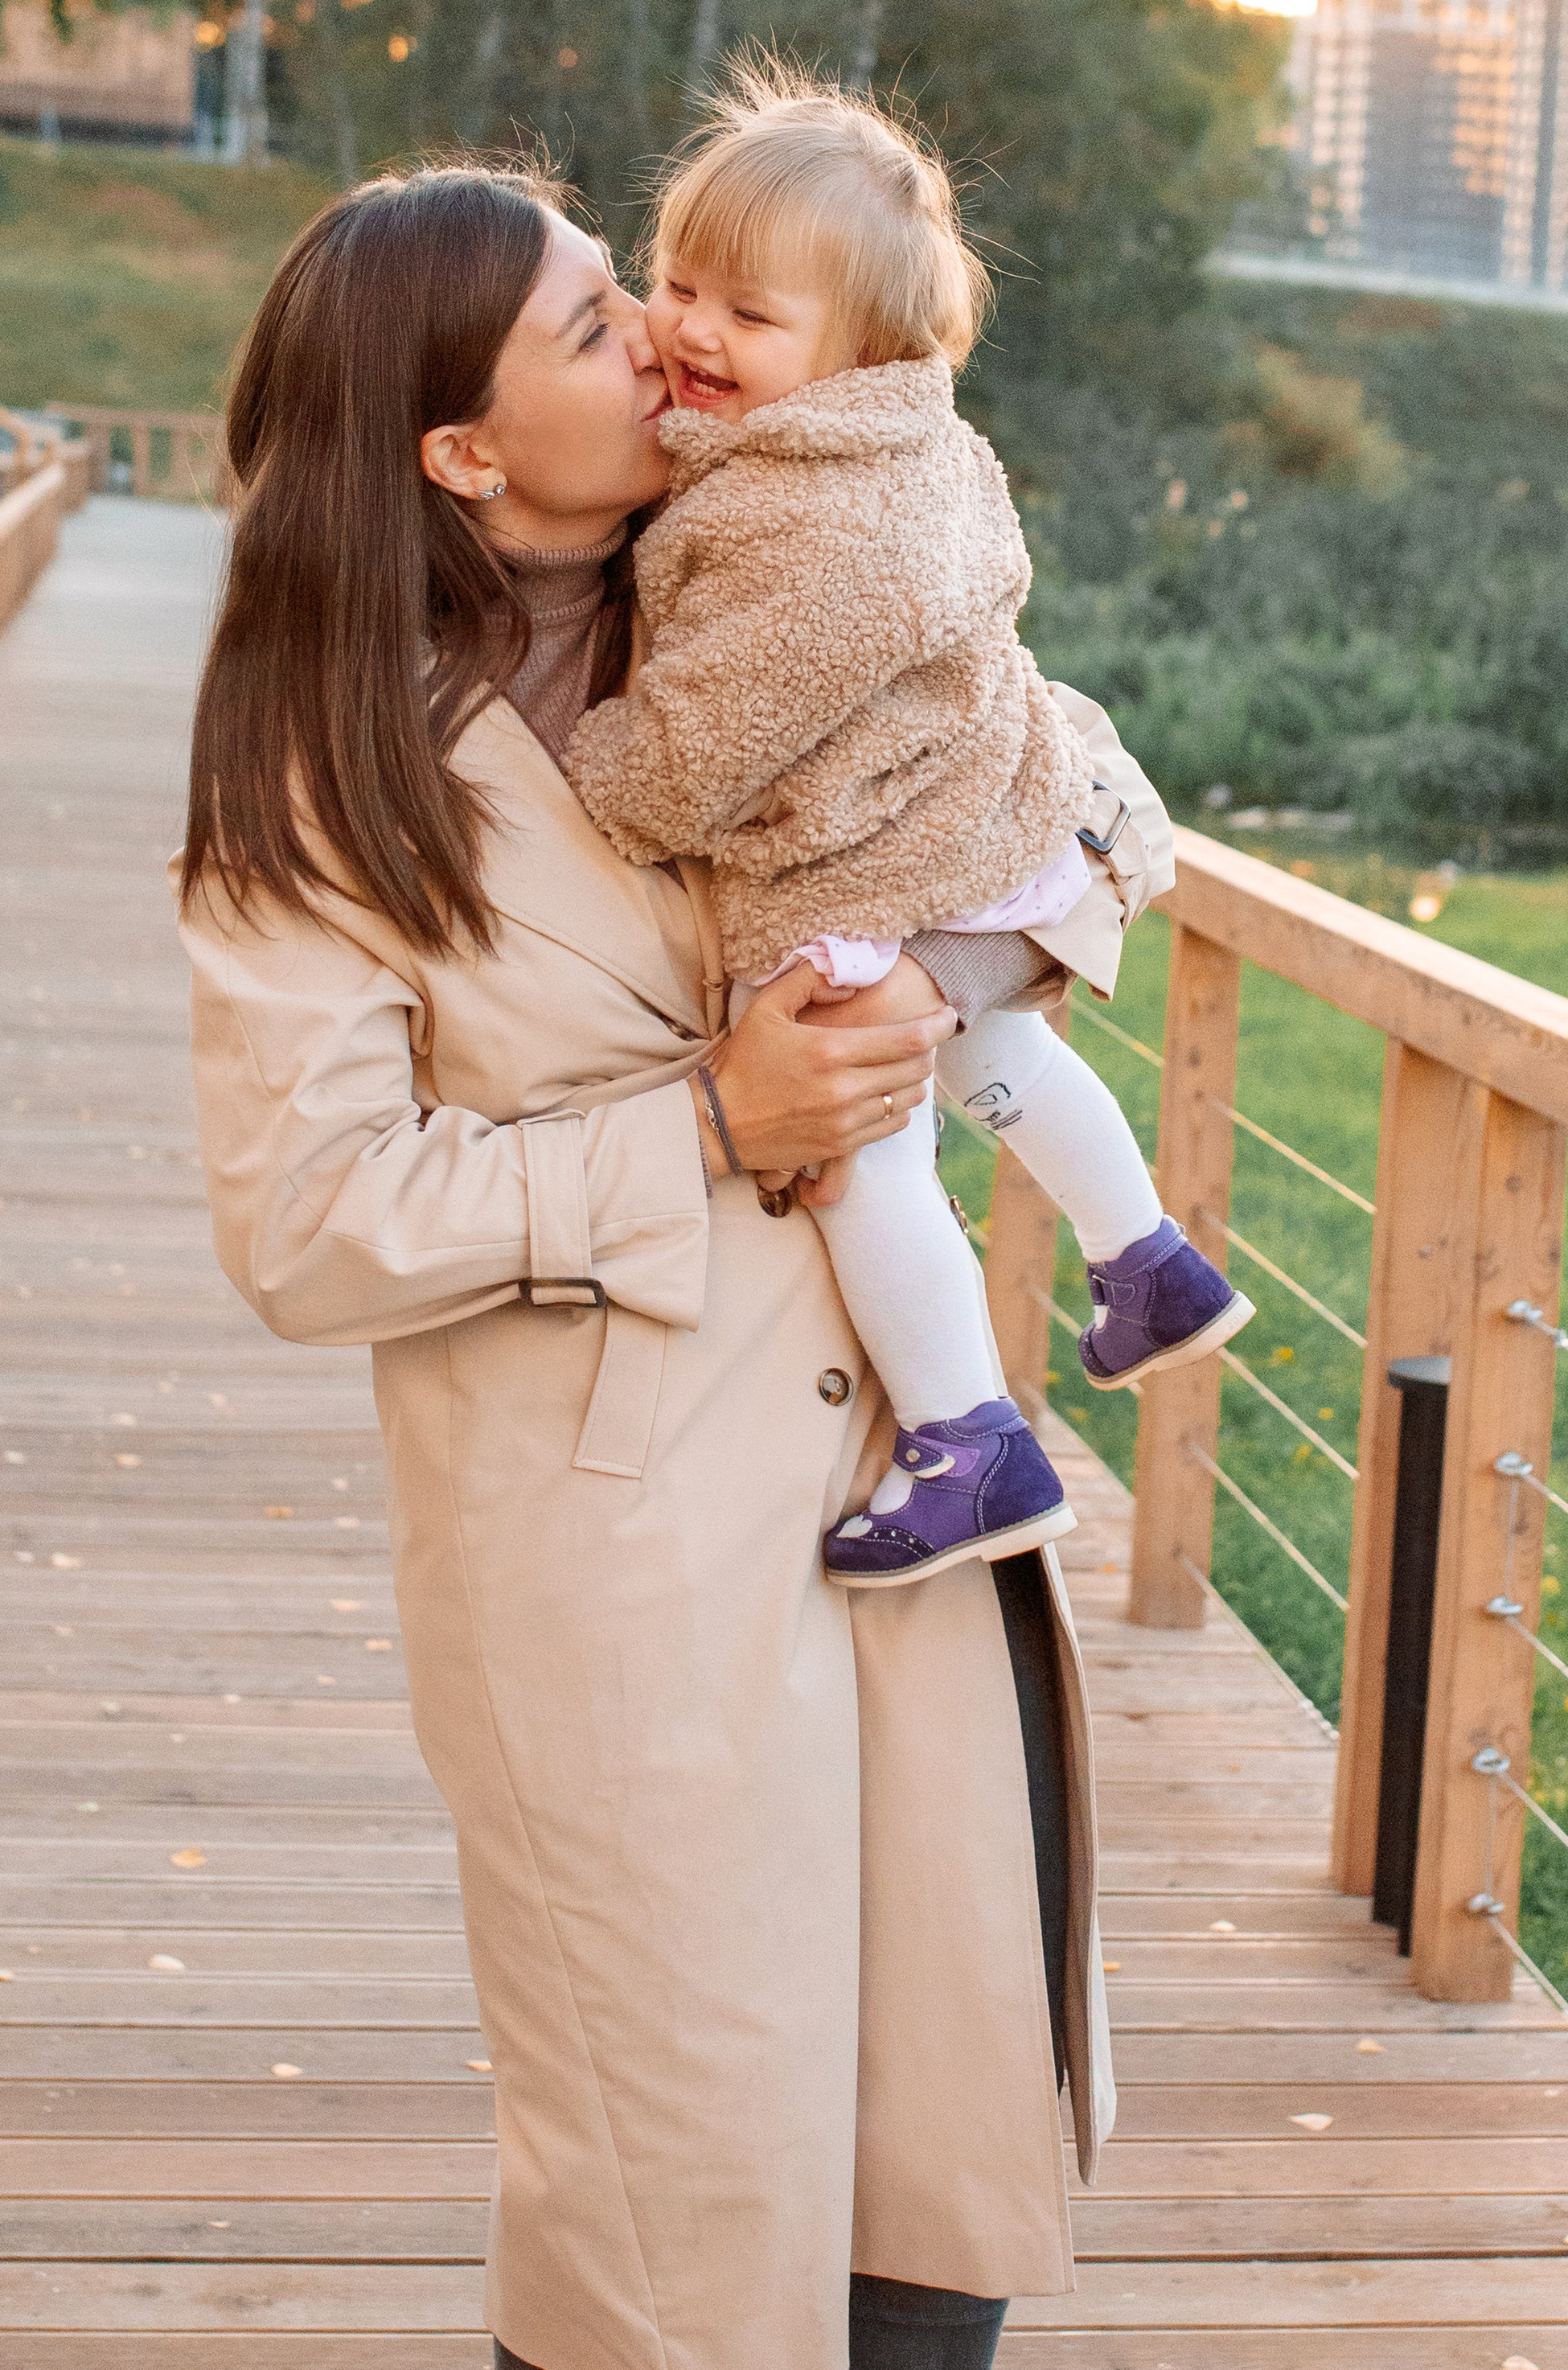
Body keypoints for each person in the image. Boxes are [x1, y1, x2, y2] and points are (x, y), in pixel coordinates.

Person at [179, 162, 1114, 2370]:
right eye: (602, 326)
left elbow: (1064, 785)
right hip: (618, 1579)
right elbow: (311, 1224)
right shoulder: (322, 768)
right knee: (677, 2251)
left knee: (930, 2203)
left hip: (907, 1505)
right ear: (460, 450)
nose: (671, 343)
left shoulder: (783, 571)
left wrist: (1029, 929)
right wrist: (710, 1127)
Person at [567, 63, 1250, 1588]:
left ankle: (969, 1440)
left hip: (869, 855)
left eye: (748, 316)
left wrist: (591, 776)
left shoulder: (809, 521)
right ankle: (1146, 1257)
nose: (688, 330)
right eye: (675, 283)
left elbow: (705, 741)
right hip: (982, 820)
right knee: (998, 1055)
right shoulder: (896, 452)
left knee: (864, 1145)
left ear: (861, 349)